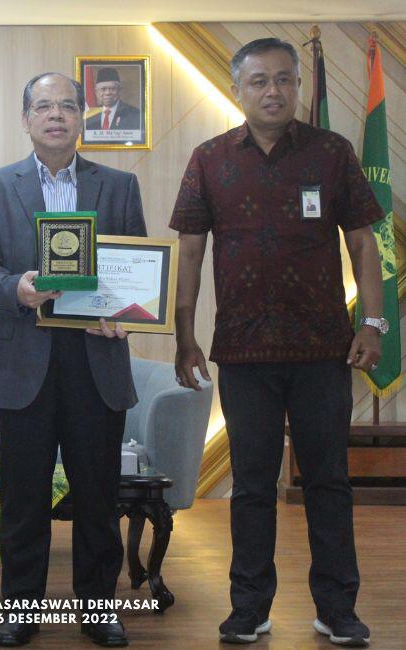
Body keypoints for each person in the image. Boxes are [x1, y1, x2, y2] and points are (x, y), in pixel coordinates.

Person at [170, 38, 384, 648]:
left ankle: (337, 609)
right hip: (242, 352)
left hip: (323, 349)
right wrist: (185, 337)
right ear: (238, 90)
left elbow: (365, 243)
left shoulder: (332, 151)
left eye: (284, 80)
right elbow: (190, 250)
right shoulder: (210, 158)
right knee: (254, 486)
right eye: (260, 81)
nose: (273, 91)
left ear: (297, 86)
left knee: (328, 482)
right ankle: (248, 608)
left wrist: (374, 324)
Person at [0, 72, 146, 648]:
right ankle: (20, 610)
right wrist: (13, 287)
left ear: (81, 117)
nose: (57, 115)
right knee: (23, 499)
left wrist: (125, 311)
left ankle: (98, 611)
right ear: (26, 119)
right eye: (44, 106)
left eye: (68, 105)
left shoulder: (118, 185)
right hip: (25, 363)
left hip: (97, 359)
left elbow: (134, 266)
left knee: (97, 497)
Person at [83, 67, 141, 132]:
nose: (108, 93)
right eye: (103, 89)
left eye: (112, 89)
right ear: (96, 92)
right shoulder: (89, 115)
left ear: (119, 90)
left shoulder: (134, 114)